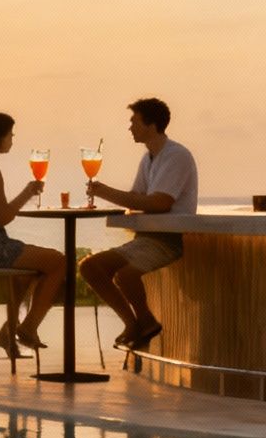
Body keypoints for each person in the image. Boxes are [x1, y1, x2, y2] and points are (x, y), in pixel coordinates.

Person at [83, 97, 197, 351]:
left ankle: (143, 323)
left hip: (167, 240)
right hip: (145, 239)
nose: (130, 127)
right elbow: (137, 199)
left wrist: (105, 192)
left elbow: (160, 203)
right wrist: (115, 198)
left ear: (152, 125)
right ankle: (137, 323)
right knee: (90, 267)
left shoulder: (177, 155)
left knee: (126, 275)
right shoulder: (149, 159)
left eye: (134, 121)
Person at [0, 112, 67, 358]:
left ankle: (8, 330)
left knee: (28, 274)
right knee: (59, 262)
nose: (12, 140)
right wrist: (28, 192)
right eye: (10, 135)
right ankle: (27, 328)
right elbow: (3, 216)